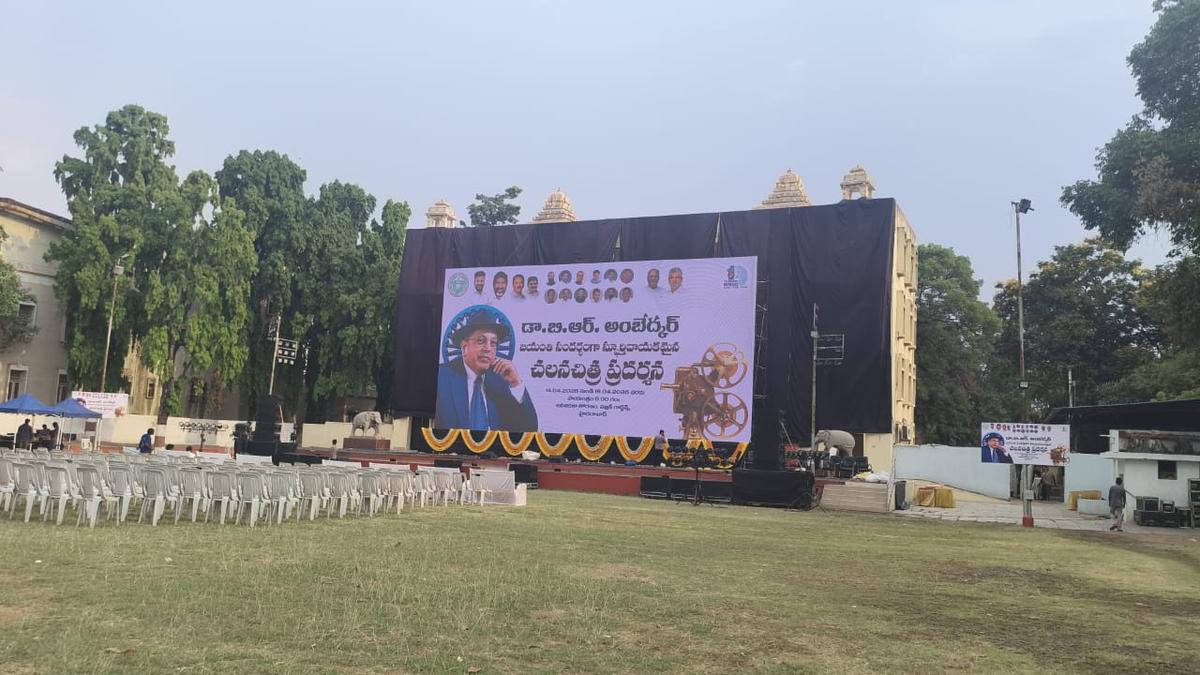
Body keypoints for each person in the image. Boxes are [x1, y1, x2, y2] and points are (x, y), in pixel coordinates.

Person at [435, 310, 537, 432]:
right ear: (464, 347)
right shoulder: (441, 377)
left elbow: (529, 429)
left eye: (493, 343)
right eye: (481, 341)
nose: (488, 348)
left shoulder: (502, 382)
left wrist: (516, 383)